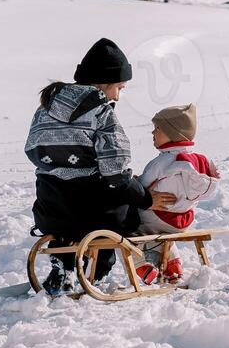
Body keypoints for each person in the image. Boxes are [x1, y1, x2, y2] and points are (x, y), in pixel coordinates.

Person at [24, 37, 175, 296]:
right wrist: (144, 197)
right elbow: (115, 172)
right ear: (104, 84)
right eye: (120, 87)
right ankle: (100, 269)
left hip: (50, 209)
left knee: (71, 207)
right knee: (126, 213)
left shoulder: (46, 107)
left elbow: (32, 150)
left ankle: (64, 264)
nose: (118, 95)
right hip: (93, 212)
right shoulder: (101, 112)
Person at [132, 104, 219, 286]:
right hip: (181, 220)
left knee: (125, 227)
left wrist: (136, 182)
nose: (152, 133)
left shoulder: (162, 162)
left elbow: (141, 190)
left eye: (157, 128)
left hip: (156, 216)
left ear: (173, 133)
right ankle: (173, 267)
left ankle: (141, 265)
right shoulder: (199, 160)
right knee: (163, 234)